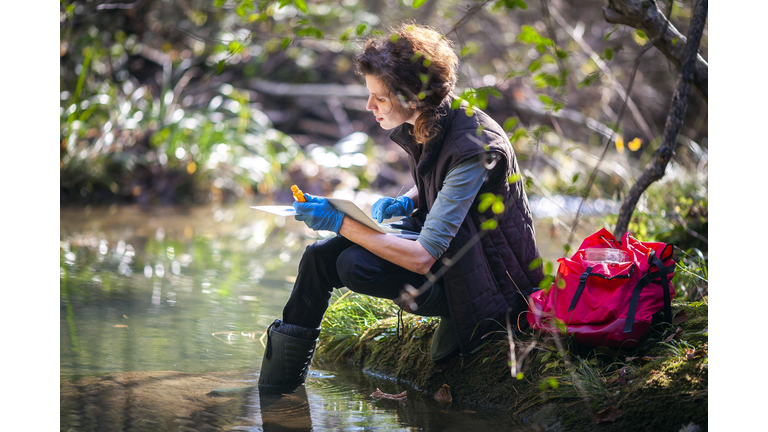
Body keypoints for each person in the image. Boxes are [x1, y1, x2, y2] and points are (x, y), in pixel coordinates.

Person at [257, 23, 545, 394]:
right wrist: (408, 199)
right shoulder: (436, 117)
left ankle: (461, 318)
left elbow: (422, 257)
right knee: (318, 257)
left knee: (353, 265)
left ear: (412, 95)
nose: (368, 106)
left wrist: (341, 221)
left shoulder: (476, 147)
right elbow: (442, 178)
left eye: (378, 97)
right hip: (457, 253)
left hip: (488, 281)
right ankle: (276, 389)